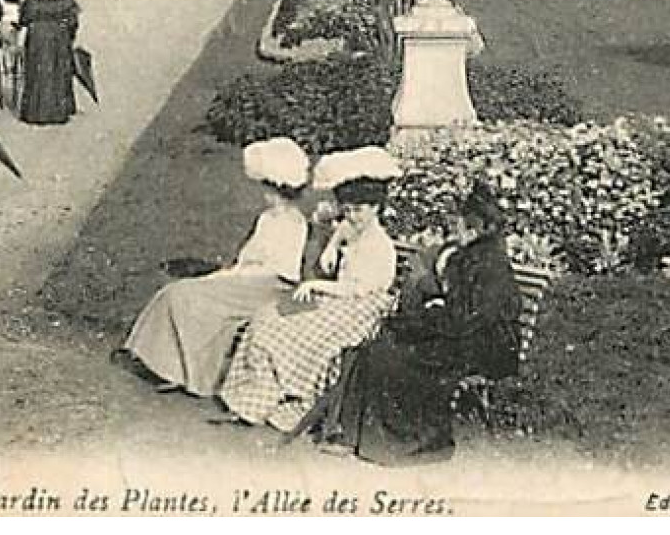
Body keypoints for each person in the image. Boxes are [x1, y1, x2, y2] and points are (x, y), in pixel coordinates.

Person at [317, 182, 522, 465]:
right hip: (462, 333)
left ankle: (408, 443)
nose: (455, 233)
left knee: (396, 357)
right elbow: (456, 307)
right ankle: (355, 435)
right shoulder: (472, 256)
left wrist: (427, 320)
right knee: (379, 344)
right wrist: (427, 313)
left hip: (485, 347)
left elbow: (474, 318)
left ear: (474, 230)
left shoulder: (491, 266)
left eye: (460, 227)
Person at [217, 146, 400, 433]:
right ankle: (252, 401)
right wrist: (332, 243)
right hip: (338, 300)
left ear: (376, 208)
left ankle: (289, 401)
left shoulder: (381, 246)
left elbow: (358, 289)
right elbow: (339, 228)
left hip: (361, 309)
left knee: (294, 334)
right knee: (267, 318)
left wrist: (317, 283)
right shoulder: (355, 230)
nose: (352, 216)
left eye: (359, 210)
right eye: (348, 209)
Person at [122, 138, 311, 397]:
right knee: (179, 292)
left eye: (270, 191)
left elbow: (282, 271)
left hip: (267, 287)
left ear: (281, 190)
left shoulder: (294, 224)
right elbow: (249, 257)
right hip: (246, 280)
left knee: (186, 296)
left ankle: (180, 372)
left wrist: (235, 275)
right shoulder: (267, 218)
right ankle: (161, 363)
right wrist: (233, 273)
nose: (266, 196)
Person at [18, 0, 81, 125]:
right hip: (59, 39)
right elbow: (74, 22)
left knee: (36, 74)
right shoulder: (66, 0)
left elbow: (23, 19)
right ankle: (58, 112)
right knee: (58, 73)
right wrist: (69, 36)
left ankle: (35, 113)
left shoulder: (33, 0)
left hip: (37, 41)